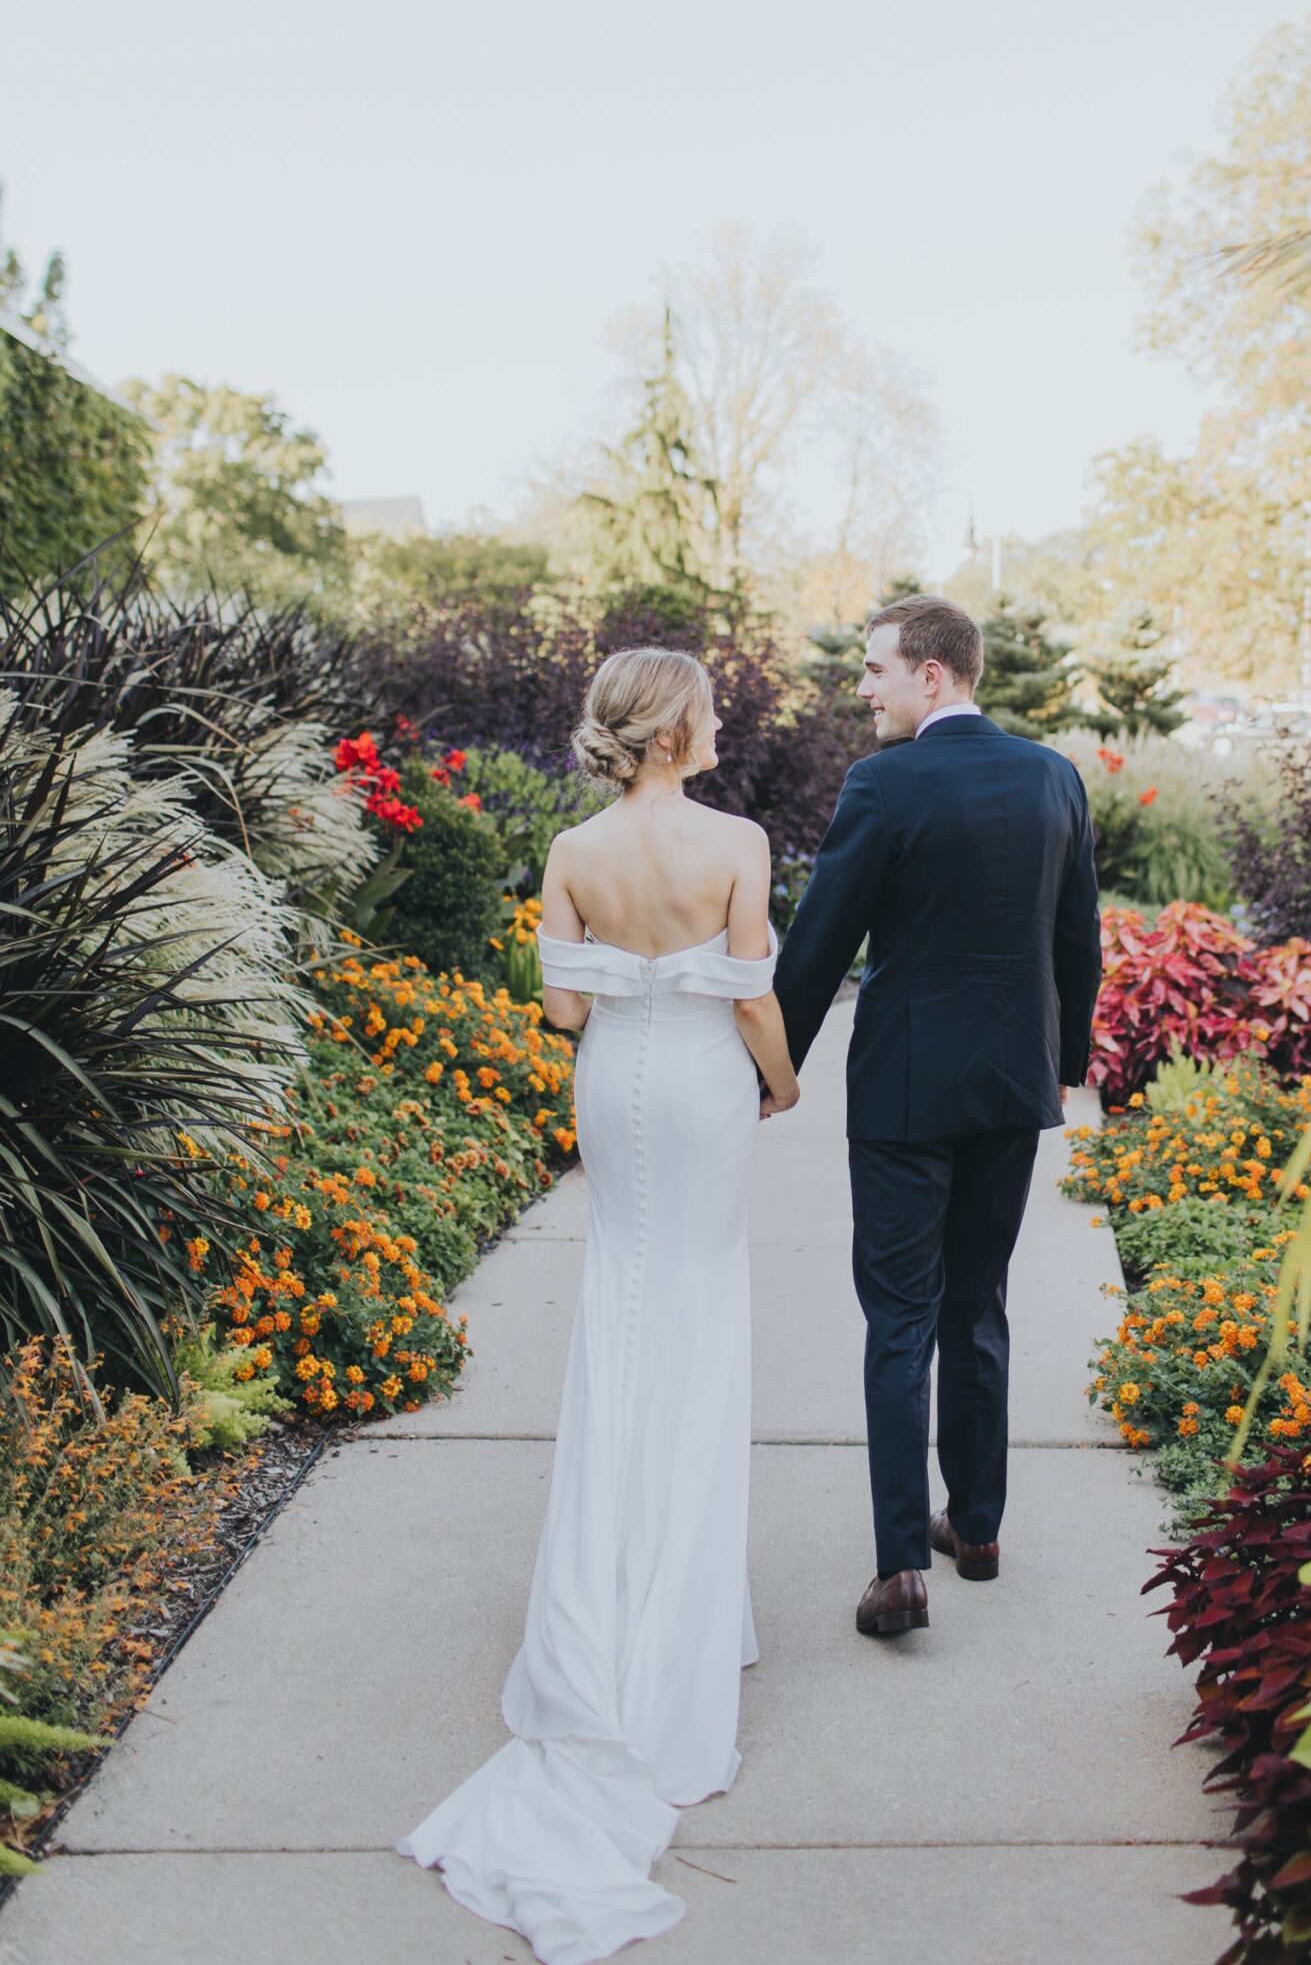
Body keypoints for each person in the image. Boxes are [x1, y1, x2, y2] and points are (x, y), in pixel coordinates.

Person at [399, 646, 799, 1965]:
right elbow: (753, 996)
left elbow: (561, 1006)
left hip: (615, 1077)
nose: (724, 717)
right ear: (677, 725)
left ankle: (610, 1616)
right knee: (696, 1312)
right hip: (698, 1084)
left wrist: (632, 983)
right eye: (712, 705)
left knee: (621, 1311)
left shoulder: (571, 849)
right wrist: (783, 1087)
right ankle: (679, 1633)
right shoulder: (734, 840)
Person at [774, 593, 1101, 1638]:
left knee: (898, 1322)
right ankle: (981, 1524)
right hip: (1012, 1090)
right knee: (978, 1305)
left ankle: (898, 1565)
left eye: (873, 670)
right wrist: (1062, 1071)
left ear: (932, 674)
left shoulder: (883, 784)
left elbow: (819, 945)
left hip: (904, 1097)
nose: (860, 689)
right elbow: (1077, 946)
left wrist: (764, 1074)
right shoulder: (1053, 776)